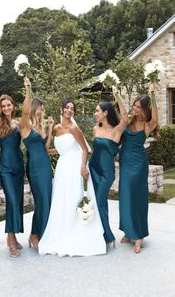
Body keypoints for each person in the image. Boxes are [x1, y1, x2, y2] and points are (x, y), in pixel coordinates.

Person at [38, 100, 106, 256]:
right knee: (62, 198)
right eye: (67, 107)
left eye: (72, 109)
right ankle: (62, 231)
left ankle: (78, 232)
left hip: (76, 166)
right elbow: (53, 149)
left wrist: (82, 167)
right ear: (62, 109)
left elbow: (84, 149)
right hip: (63, 166)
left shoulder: (74, 128)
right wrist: (49, 131)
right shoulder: (56, 128)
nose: (69, 110)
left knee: (75, 197)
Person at [0, 69, 25, 258]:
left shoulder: (18, 124)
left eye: (8, 105)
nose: (6, 108)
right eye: (3, 106)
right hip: (6, 169)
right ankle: (10, 242)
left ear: (13, 106)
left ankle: (14, 237)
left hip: (19, 166)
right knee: (11, 200)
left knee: (17, 203)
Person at [119, 84, 158, 254]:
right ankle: (128, 231)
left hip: (139, 163)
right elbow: (121, 118)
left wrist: (153, 95)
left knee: (138, 198)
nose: (134, 109)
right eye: (134, 106)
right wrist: (116, 95)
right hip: (125, 162)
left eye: (138, 107)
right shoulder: (128, 121)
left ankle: (139, 236)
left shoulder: (148, 125)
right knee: (125, 196)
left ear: (144, 110)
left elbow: (155, 118)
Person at [89, 89, 128, 247]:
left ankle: (108, 236)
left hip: (106, 173)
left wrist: (117, 95)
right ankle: (100, 234)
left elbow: (125, 117)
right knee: (95, 202)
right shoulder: (95, 129)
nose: (95, 113)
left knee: (100, 202)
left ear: (106, 112)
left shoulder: (116, 130)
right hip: (93, 169)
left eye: (97, 110)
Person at [19, 77, 53, 249]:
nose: (42, 110)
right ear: (35, 108)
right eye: (41, 107)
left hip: (46, 166)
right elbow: (24, 112)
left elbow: (46, 147)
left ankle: (44, 233)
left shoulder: (41, 127)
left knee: (48, 199)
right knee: (40, 201)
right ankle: (34, 235)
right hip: (34, 168)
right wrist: (27, 90)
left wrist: (50, 128)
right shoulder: (25, 126)